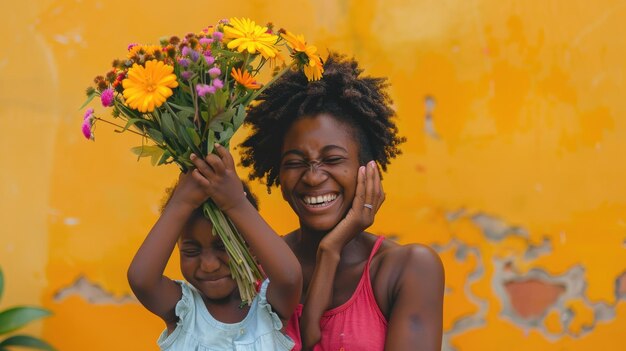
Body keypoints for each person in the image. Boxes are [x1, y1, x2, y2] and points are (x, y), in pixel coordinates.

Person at [239, 53, 445, 350]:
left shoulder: (407, 270)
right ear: (278, 176)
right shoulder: (253, 271)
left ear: (368, 168)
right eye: (295, 162)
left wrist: (331, 248)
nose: (312, 177)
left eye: (333, 159)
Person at [127, 144, 302, 350]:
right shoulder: (184, 311)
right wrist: (180, 203)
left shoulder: (269, 309)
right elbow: (141, 279)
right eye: (191, 251)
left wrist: (236, 204)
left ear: (251, 248)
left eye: (222, 247)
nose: (209, 265)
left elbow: (290, 278)